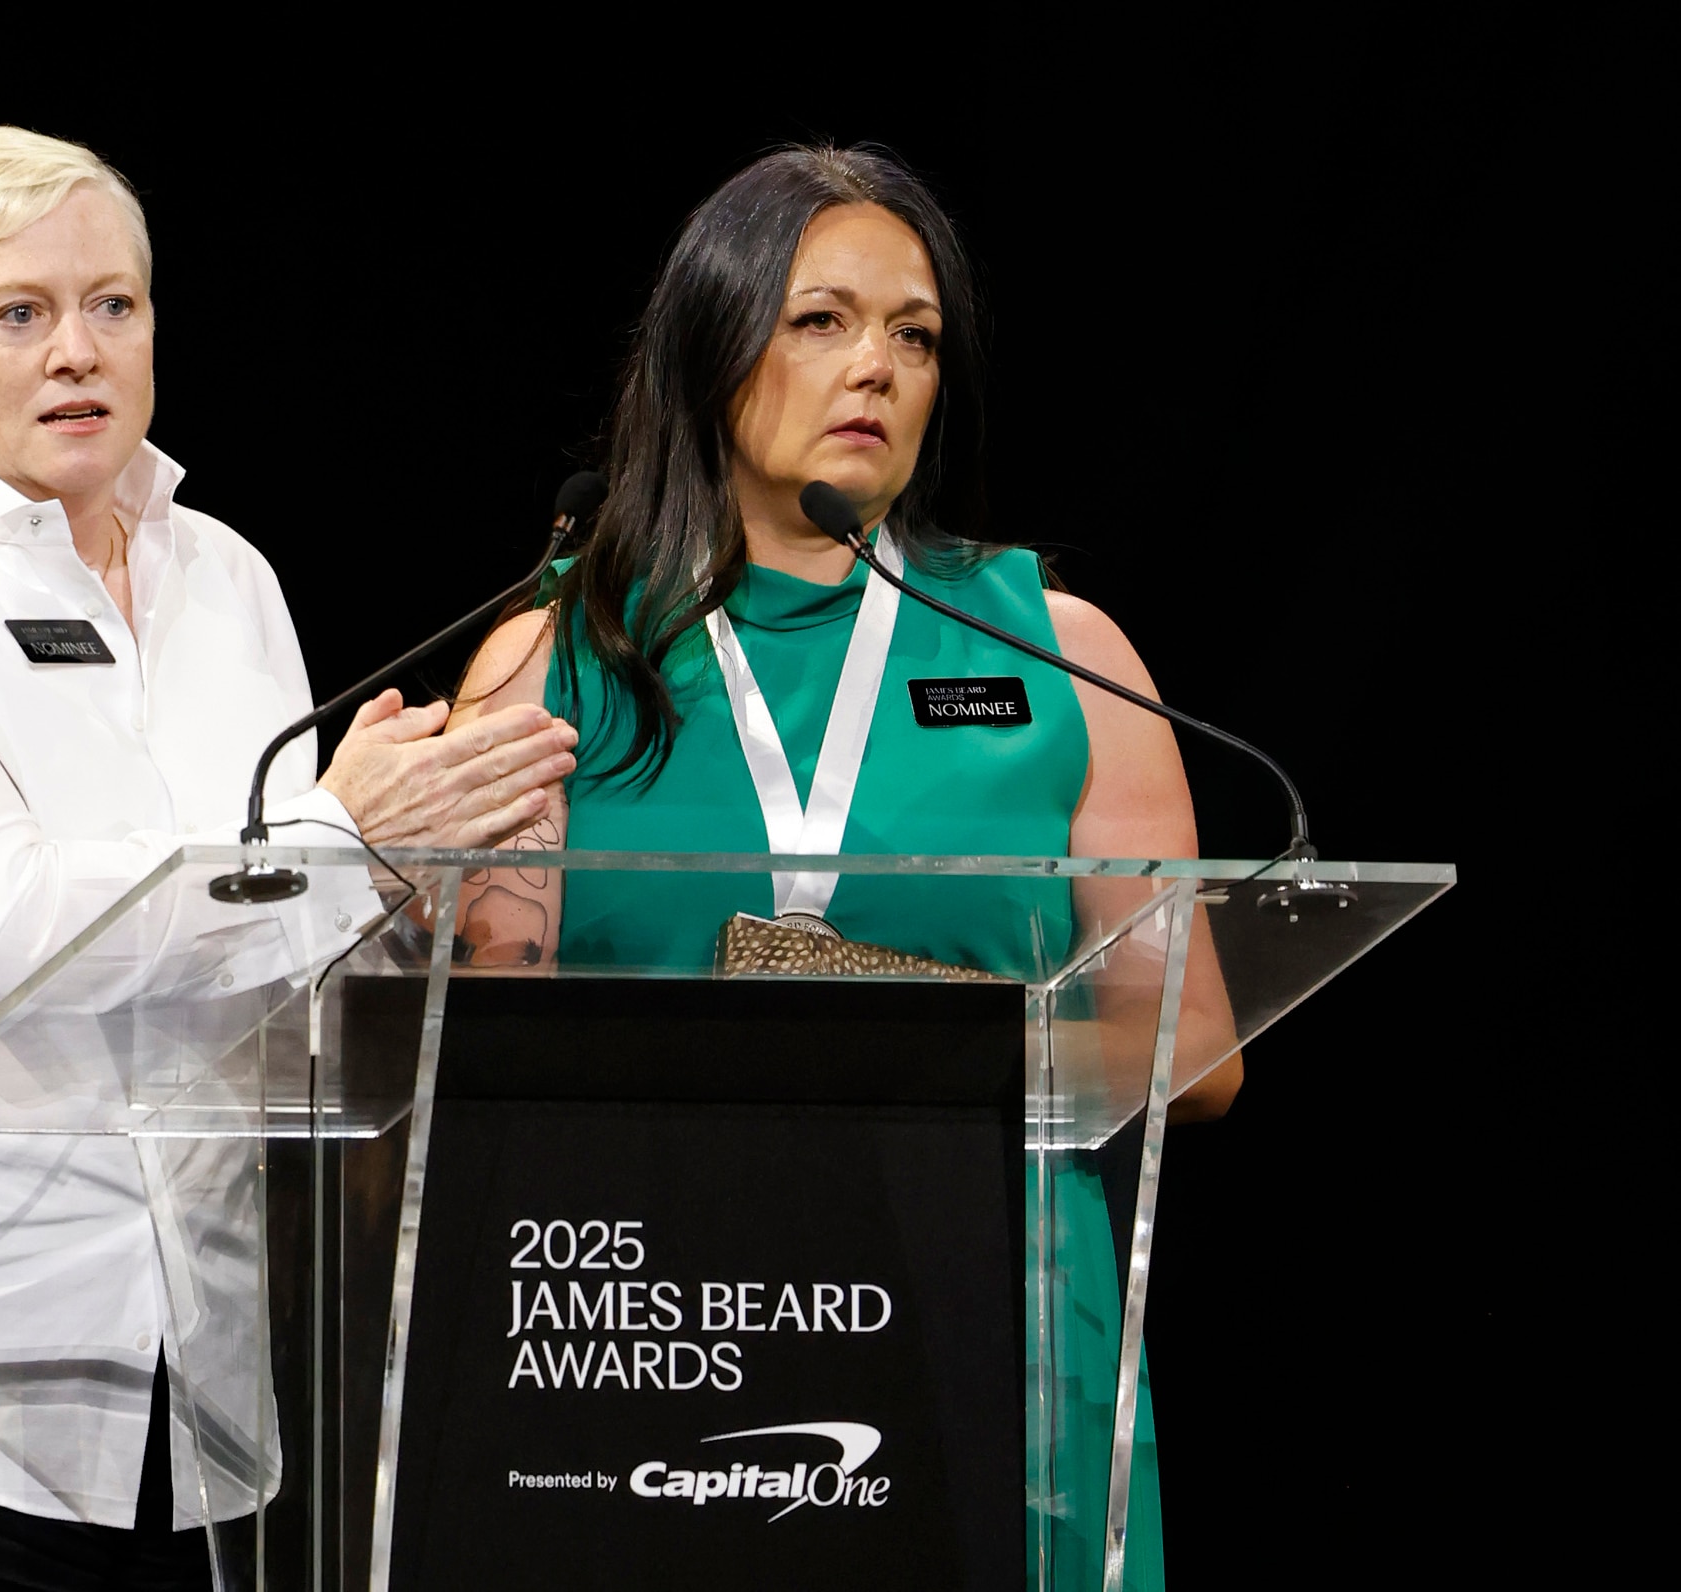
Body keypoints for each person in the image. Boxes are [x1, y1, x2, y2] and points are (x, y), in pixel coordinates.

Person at [0, 125, 576, 1592]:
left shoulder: (225, 576)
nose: (78, 352)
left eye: (115, 306)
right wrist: (337, 835)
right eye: (20, 314)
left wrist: (422, 872)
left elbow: (280, 951)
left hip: (194, 1363)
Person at [453, 145, 1243, 1588]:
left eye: (915, 333)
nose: (875, 365)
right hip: (654, 1332)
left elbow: (1191, 1050)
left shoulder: (1057, 651)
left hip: (990, 1308)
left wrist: (857, 996)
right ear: (712, 340)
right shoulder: (548, 665)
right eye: (821, 320)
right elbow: (491, 1029)